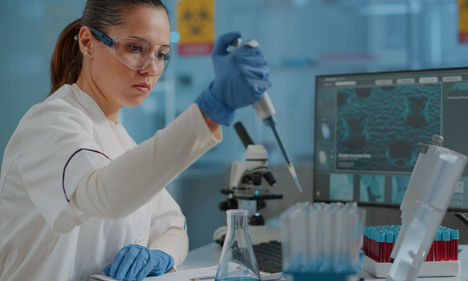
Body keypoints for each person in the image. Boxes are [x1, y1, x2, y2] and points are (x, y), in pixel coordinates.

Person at [0, 0, 271, 280]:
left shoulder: (119, 137)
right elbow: (104, 196)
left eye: (162, 54)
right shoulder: (49, 122)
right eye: (135, 48)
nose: (151, 68)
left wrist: (160, 255)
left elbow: (172, 226)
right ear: (87, 42)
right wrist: (209, 112)